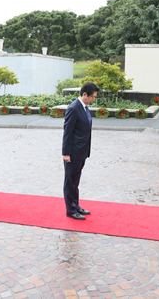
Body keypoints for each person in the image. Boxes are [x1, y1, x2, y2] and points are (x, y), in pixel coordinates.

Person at [62, 82, 99, 220]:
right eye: (93, 97)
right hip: (73, 153)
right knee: (70, 182)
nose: (93, 99)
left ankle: (75, 206)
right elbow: (67, 132)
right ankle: (70, 210)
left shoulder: (84, 107)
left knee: (75, 181)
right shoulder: (74, 108)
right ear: (85, 95)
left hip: (81, 152)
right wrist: (66, 153)